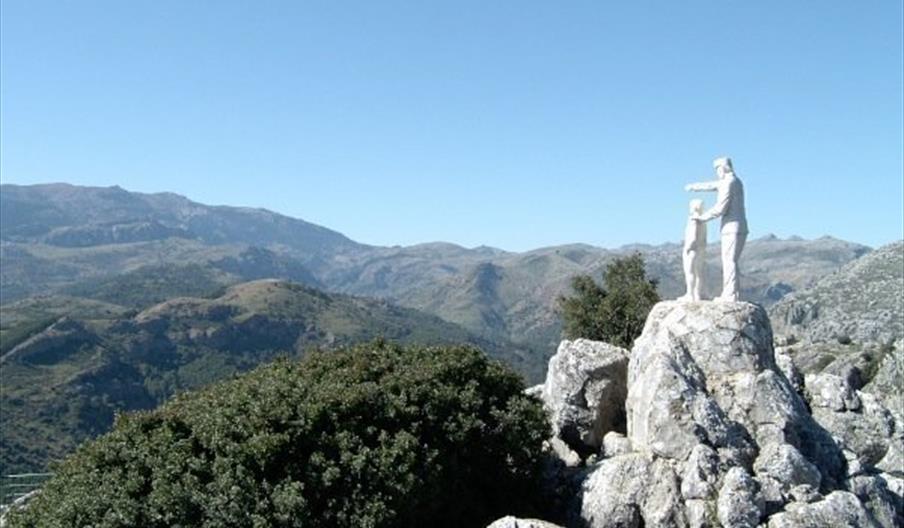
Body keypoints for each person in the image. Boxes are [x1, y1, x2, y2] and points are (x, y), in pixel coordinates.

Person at [685, 157, 748, 302]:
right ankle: (731, 293)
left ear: (723, 168)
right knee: (731, 261)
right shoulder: (735, 181)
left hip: (731, 227)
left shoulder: (729, 183)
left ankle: (730, 295)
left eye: (718, 169)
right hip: (738, 226)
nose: (717, 173)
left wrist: (702, 218)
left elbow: (721, 208)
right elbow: (713, 185)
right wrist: (695, 187)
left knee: (729, 261)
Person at [680, 199, 706, 301]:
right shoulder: (703, 220)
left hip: (692, 249)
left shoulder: (693, 219)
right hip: (701, 248)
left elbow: (693, 235)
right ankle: (697, 294)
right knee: (698, 272)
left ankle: (690, 294)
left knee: (690, 272)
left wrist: (688, 246)